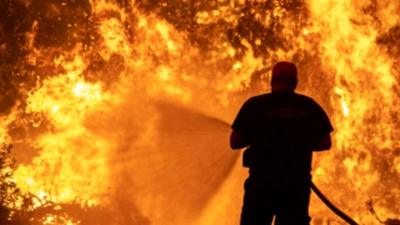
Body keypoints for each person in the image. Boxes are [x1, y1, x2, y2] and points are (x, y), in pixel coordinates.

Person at [230, 61, 333, 225]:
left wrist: (260, 136)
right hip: (296, 188)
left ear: (272, 81)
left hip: (261, 186)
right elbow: (325, 142)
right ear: (295, 83)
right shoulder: (309, 106)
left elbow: (235, 141)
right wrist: (300, 143)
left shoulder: (255, 105)